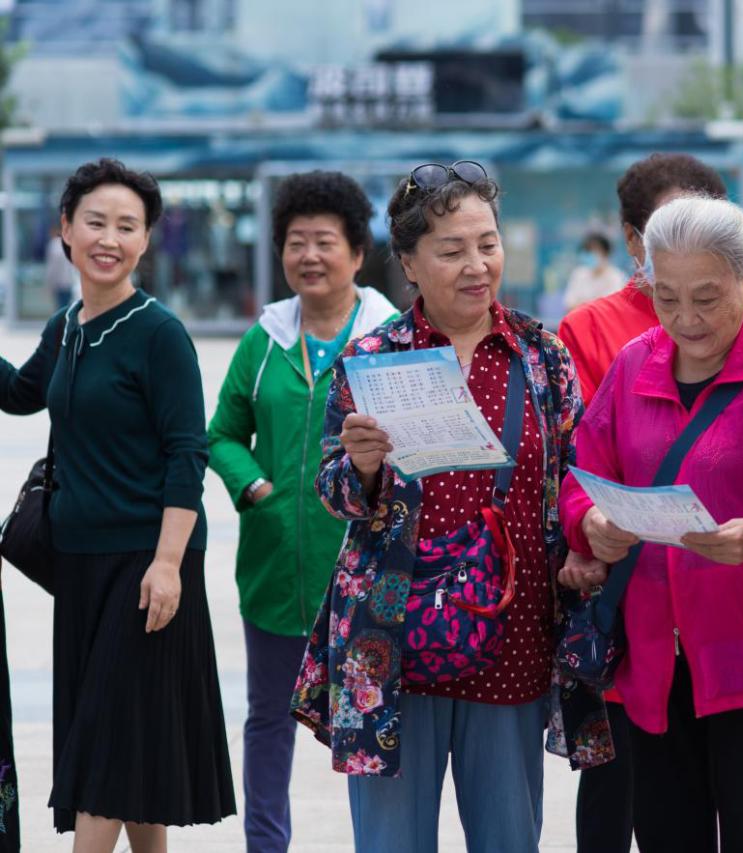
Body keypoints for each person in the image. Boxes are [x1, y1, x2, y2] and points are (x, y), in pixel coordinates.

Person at [289, 160, 606, 853]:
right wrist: (363, 467)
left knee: (509, 837)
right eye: (452, 249)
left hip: (512, 635)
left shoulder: (540, 356)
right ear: (407, 260)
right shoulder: (371, 357)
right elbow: (333, 490)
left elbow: (577, 472)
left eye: (486, 243)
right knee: (391, 841)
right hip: (391, 646)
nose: (477, 264)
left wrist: (588, 540)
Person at [560, 196, 743, 853]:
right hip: (650, 652)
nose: (686, 320)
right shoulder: (636, 364)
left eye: (706, 297)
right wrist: (594, 524)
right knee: (665, 832)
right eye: (667, 298)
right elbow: (581, 471)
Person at [0, 158, 235, 850]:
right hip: (80, 571)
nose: (110, 237)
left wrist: (167, 564)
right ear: (65, 229)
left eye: (127, 226)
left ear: (146, 240)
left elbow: (186, 454)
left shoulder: (159, 333)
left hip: (146, 573)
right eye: (95, 222)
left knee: (102, 757)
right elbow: (19, 395)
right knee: (126, 750)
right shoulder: (68, 325)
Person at [207, 171, 398, 853]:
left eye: (324, 241)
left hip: (366, 577)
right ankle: (266, 844)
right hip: (273, 573)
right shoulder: (264, 340)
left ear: (355, 252)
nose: (308, 256)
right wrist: (252, 485)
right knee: (267, 720)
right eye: (296, 242)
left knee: (366, 725)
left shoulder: (391, 339)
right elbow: (223, 430)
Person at [556, 151, 728, 853]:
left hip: (720, 584)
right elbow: (580, 461)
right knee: (617, 777)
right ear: (633, 241)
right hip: (627, 591)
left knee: (719, 782)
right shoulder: (592, 330)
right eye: (668, 225)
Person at [557, 153, 729, 403]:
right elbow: (580, 435)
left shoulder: (740, 319)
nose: (690, 248)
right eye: (670, 232)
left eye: (705, 234)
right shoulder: (587, 329)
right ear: (631, 238)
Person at [563, 232, 626, 311]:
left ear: (606, 253)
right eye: (587, 251)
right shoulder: (579, 274)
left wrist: (582, 304)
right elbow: (569, 305)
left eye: (594, 251)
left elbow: (610, 308)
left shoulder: (616, 276)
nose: (590, 255)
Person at [43, 222, 78, 310]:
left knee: (60, 309)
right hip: (69, 282)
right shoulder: (68, 243)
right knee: (66, 307)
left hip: (59, 283)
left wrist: (49, 283)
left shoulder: (54, 245)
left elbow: (52, 268)